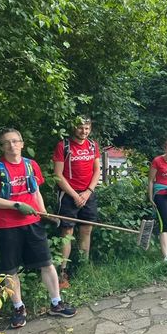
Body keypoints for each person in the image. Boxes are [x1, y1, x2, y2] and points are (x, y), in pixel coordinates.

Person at [0, 128, 76, 328]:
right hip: (8, 227)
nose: (12, 145)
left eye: (15, 141)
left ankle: (56, 303)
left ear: (22, 144)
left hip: (33, 224)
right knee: (10, 270)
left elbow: (35, 192)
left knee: (47, 263)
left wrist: (42, 212)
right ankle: (18, 308)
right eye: (7, 142)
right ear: (2, 147)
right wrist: (16, 205)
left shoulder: (30, 165)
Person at [53, 116, 100, 288]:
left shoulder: (93, 145)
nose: (84, 131)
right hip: (68, 195)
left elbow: (97, 170)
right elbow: (58, 175)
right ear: (74, 127)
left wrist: (88, 192)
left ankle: (83, 266)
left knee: (86, 230)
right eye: (81, 127)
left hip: (88, 194)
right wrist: (74, 195)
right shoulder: (63, 146)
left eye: (87, 128)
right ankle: (63, 272)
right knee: (67, 233)